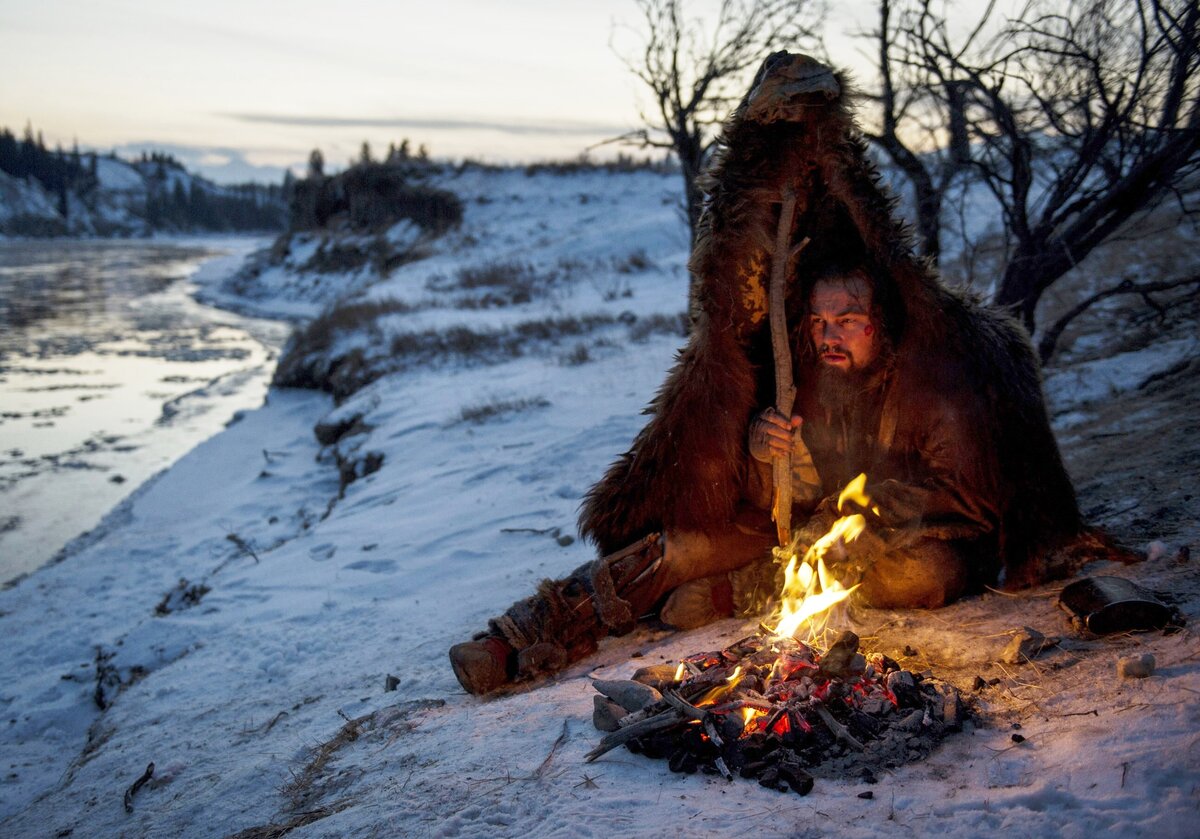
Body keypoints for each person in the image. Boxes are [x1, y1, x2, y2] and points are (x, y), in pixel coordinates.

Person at [448, 51, 1110, 696]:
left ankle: (738, 592)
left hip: (906, 542)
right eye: (820, 323)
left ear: (882, 317)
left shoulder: (934, 377)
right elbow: (782, 501)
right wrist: (772, 457)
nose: (830, 335)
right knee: (671, 550)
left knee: (925, 577)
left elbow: (964, 496)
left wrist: (860, 517)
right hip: (806, 534)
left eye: (848, 319)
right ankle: (517, 640)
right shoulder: (813, 375)